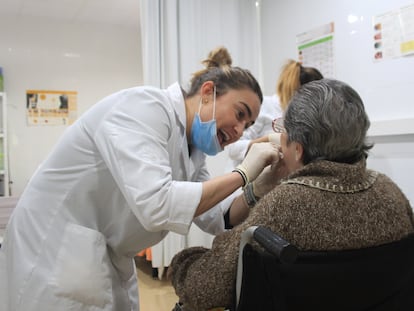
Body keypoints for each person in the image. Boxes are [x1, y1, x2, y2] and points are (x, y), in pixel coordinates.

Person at [0, 47, 281, 310]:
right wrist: (242, 173)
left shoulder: (192, 150)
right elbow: (157, 205)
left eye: (247, 125)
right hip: (54, 248)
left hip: (104, 255)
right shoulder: (144, 108)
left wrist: (258, 186)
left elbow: (217, 217)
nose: (240, 130)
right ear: (208, 92)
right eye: (240, 114)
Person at [169, 79, 414, 311]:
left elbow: (202, 289)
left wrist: (184, 262)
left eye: (283, 130)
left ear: (297, 149)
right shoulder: (392, 194)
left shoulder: (284, 205)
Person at [225, 59, 323, 169]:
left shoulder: (303, 116)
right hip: (246, 179)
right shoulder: (264, 106)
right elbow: (233, 149)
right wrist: (269, 139)